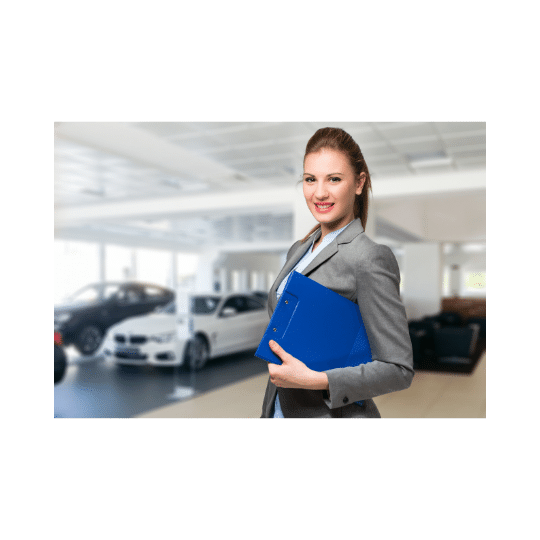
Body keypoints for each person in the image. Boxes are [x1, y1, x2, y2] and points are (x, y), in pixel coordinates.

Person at [260, 127, 414, 419]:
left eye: (334, 179)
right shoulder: (299, 249)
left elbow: (398, 369)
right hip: (280, 409)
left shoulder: (368, 257)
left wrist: (317, 380)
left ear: (358, 183)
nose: (319, 192)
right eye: (310, 179)